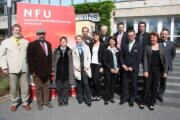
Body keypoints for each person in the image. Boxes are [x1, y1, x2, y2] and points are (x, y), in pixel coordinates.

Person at [0, 24, 31, 112]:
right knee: (13, 87)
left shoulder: (26, 42)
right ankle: (14, 102)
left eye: (19, 30)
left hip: (24, 67)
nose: (18, 31)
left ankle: (25, 102)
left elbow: (29, 55)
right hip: (13, 68)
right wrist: (4, 67)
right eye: (16, 30)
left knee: (25, 87)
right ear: (12, 31)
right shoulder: (6, 42)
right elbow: (2, 55)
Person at [139, 32, 168, 111]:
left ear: (157, 38)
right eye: (151, 38)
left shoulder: (162, 47)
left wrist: (165, 72)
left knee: (155, 87)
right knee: (146, 86)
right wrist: (145, 70)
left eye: (154, 38)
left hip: (158, 71)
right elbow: (144, 59)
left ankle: (152, 103)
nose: (152, 39)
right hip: (149, 70)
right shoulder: (147, 47)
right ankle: (143, 101)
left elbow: (166, 60)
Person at [27, 29, 53, 110]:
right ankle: (40, 103)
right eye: (39, 34)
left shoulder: (48, 44)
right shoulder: (32, 44)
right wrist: (32, 72)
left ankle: (47, 102)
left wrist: (50, 70)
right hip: (36, 72)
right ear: (37, 35)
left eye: (43, 34)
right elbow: (29, 59)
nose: (41, 35)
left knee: (47, 87)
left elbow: (50, 58)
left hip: (47, 72)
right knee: (38, 88)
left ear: (45, 35)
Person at [119, 30, 142, 107]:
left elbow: (139, 58)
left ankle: (132, 99)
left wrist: (133, 67)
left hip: (134, 69)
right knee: (125, 84)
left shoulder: (139, 45)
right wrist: (123, 65)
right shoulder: (124, 44)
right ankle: (125, 97)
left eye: (132, 35)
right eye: (129, 36)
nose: (130, 37)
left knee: (133, 85)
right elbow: (121, 56)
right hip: (125, 69)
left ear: (135, 35)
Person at [52, 36, 74, 106]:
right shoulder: (56, 50)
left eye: (64, 41)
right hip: (58, 73)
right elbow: (53, 60)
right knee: (59, 88)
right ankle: (60, 100)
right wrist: (53, 69)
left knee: (66, 88)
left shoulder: (70, 51)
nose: (63, 42)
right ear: (60, 42)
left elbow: (72, 61)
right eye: (62, 41)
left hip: (67, 73)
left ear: (66, 42)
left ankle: (65, 100)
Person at [72, 35, 92, 107]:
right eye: (77, 39)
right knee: (79, 83)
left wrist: (86, 66)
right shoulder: (73, 48)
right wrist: (76, 67)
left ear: (82, 40)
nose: (78, 40)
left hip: (85, 68)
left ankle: (88, 100)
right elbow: (73, 59)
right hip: (78, 69)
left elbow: (89, 57)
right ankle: (80, 98)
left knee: (86, 83)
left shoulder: (86, 47)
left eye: (79, 39)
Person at [157, 28, 176, 102]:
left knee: (163, 81)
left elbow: (173, 54)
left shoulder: (172, 43)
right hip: (157, 65)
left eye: (165, 34)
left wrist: (167, 62)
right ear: (160, 34)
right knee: (155, 80)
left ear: (168, 35)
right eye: (162, 34)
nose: (164, 35)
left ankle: (160, 94)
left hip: (166, 66)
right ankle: (153, 93)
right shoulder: (157, 42)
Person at [103, 36, 120, 105]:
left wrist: (118, 68)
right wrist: (110, 68)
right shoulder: (106, 49)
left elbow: (120, 60)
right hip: (108, 70)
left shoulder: (118, 49)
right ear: (108, 42)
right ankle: (106, 98)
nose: (111, 42)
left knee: (113, 85)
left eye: (113, 41)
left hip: (116, 70)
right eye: (110, 41)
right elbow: (104, 60)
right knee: (107, 84)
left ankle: (111, 97)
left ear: (115, 42)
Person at [89, 31, 105, 101]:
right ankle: (94, 94)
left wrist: (102, 66)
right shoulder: (91, 44)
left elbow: (104, 57)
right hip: (91, 64)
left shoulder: (103, 44)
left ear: (99, 36)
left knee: (96, 80)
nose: (95, 37)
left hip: (98, 65)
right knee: (93, 80)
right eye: (94, 35)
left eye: (96, 35)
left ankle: (99, 94)